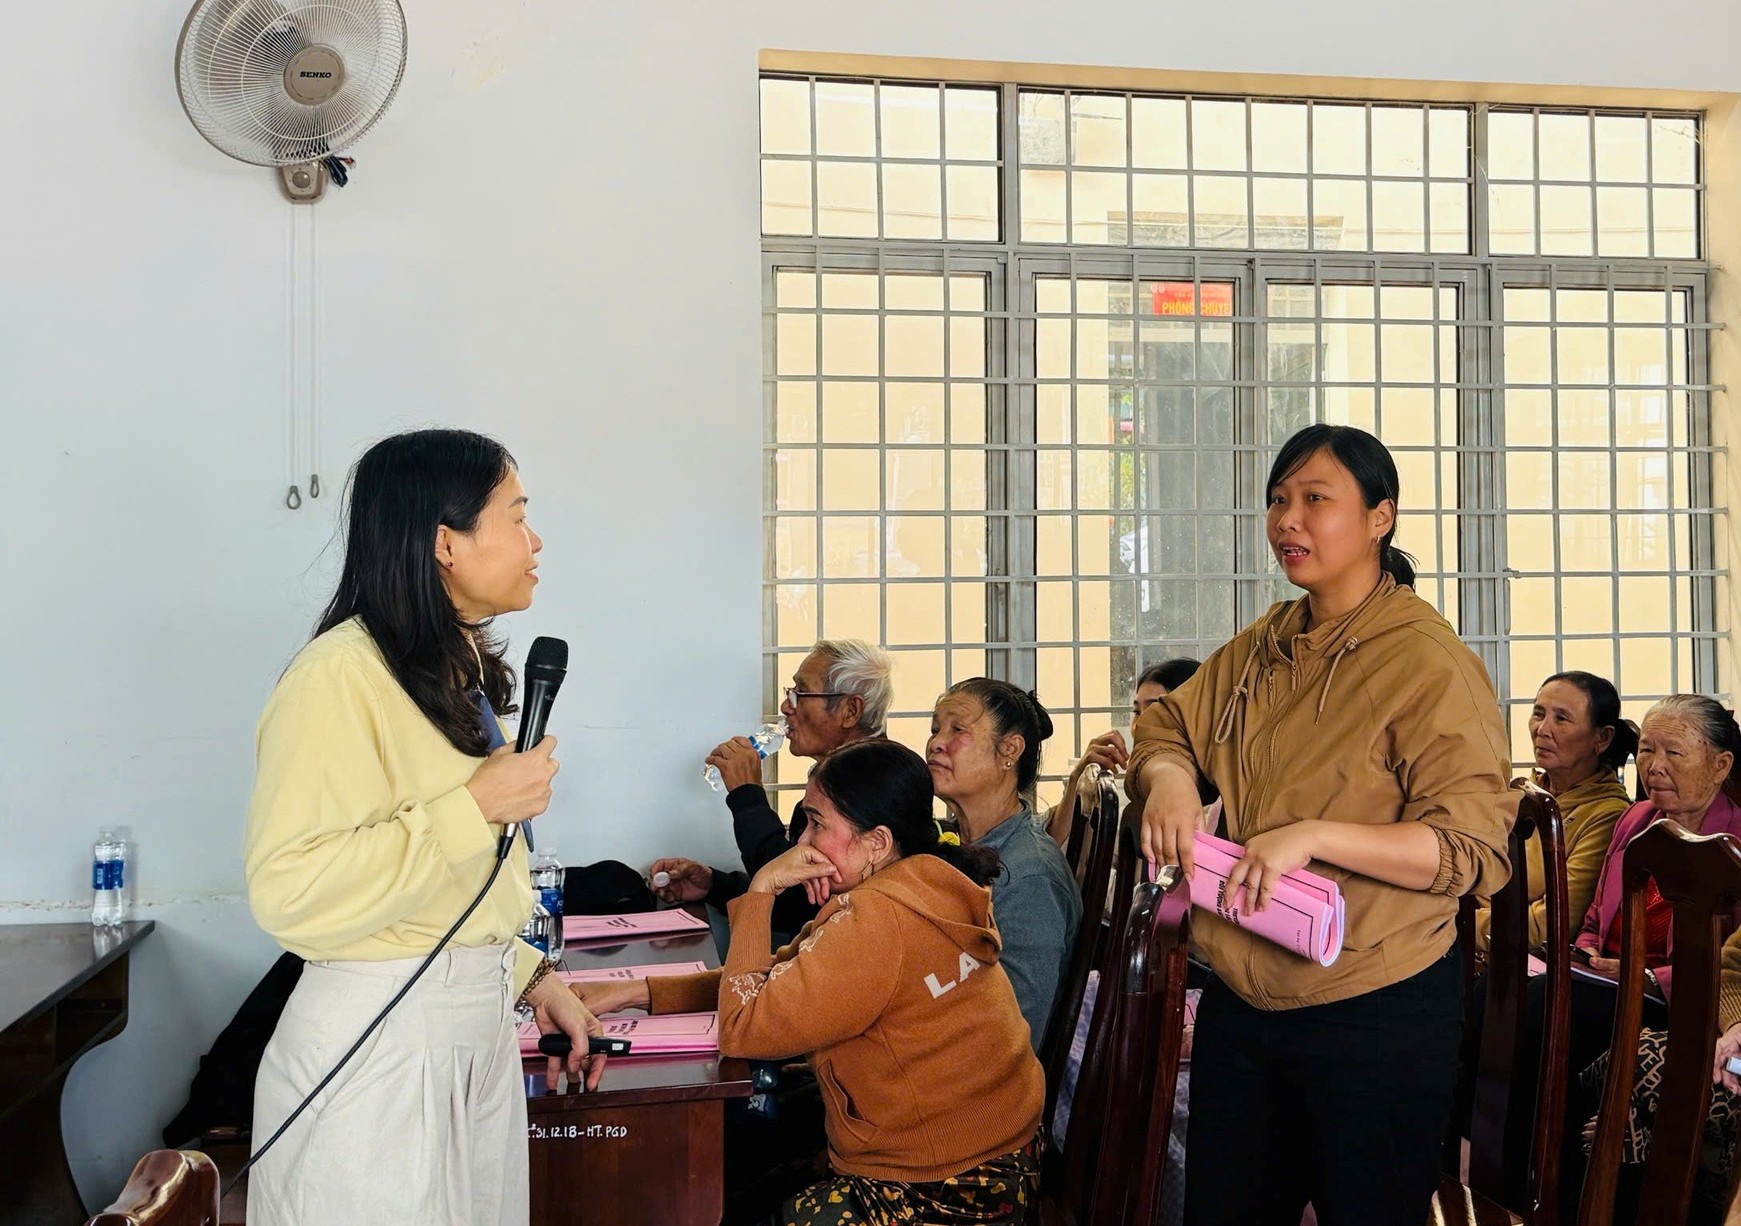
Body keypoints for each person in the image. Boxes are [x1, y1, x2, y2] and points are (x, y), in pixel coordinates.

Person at [1128, 423, 1514, 1226]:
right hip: (1243, 993)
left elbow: (1471, 848)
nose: (1286, 520)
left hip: (1373, 1005)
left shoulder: (1427, 662)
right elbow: (1168, 727)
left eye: (1314, 498)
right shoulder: (1268, 641)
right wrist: (1167, 780)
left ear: (1380, 517)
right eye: (1277, 500)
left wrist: (1313, 835)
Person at [242, 429, 604, 1226]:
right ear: (445, 542)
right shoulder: (336, 677)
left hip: (472, 1036)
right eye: (517, 516)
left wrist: (527, 976)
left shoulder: (450, 668)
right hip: (379, 1048)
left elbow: (443, 896)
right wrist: (474, 807)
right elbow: (291, 892)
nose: (536, 540)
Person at [573, 740, 1045, 1226]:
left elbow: (743, 1026)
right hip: (998, 1152)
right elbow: (779, 978)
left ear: (877, 843)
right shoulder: (923, 881)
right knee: (743, 1158)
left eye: (817, 824)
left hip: (950, 1185)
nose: (802, 843)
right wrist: (637, 993)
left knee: (738, 1183)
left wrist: (762, 889)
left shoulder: (878, 918)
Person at [650, 640, 893, 946]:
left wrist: (746, 794)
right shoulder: (836, 782)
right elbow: (797, 902)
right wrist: (714, 885)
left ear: (850, 710)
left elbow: (793, 890)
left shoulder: (878, 786)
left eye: (800, 694)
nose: (785, 707)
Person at [928, 678, 1082, 1051]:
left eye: (957, 730)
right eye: (935, 729)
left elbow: (1013, 1037)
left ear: (1009, 750)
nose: (935, 743)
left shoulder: (1029, 879)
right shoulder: (955, 846)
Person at [1473, 671, 1635, 953]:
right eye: (1538, 714)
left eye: (1561, 719)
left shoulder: (1608, 817)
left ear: (1602, 737)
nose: (1542, 729)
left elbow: (1548, 927)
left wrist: (1457, 922)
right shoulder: (1521, 793)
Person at [1045, 657, 1203, 847]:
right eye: (1137, 712)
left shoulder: (1217, 808)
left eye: (1155, 713)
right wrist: (1076, 780)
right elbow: (1053, 849)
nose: (1139, 726)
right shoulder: (1131, 810)